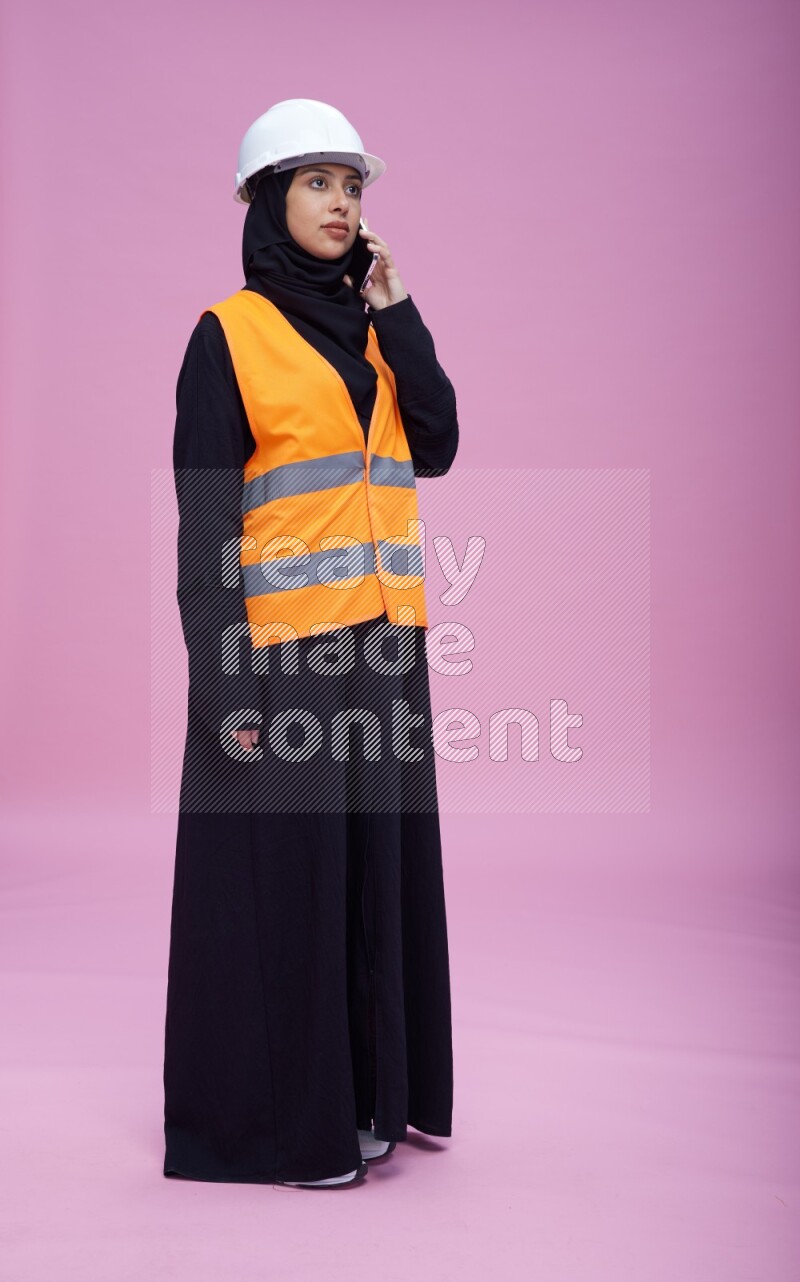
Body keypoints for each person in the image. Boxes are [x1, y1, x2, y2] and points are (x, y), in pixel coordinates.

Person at [162, 99, 459, 1189]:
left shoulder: (373, 326)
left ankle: (373, 1097)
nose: (340, 204)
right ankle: (290, 1127)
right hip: (286, 651)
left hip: (383, 646)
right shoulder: (225, 335)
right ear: (264, 202)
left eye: (353, 186)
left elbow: (435, 444)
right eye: (317, 182)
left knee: (374, 876)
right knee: (289, 884)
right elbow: (208, 529)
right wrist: (224, 682)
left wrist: (401, 310)